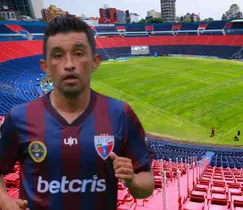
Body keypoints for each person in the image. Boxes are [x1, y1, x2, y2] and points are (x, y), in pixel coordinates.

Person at [0, 17, 154, 210]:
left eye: (79, 53)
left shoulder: (121, 113)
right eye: (57, 55)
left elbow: (147, 182)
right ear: (45, 66)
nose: (69, 64)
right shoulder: (19, 118)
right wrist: (4, 200)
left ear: (95, 61)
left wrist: (133, 182)